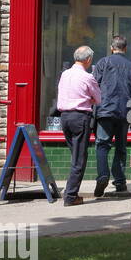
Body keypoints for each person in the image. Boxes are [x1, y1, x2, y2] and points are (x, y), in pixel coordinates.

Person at [92, 35, 131, 197]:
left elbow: (94, 85)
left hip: (105, 110)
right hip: (125, 112)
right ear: (124, 48)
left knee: (102, 144)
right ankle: (120, 181)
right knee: (121, 147)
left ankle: (103, 176)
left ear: (112, 48)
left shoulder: (103, 63)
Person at [56, 46, 101, 207]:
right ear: (88, 60)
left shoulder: (64, 74)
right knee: (79, 159)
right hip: (80, 117)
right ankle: (70, 196)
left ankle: (71, 192)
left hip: (65, 117)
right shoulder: (87, 77)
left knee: (75, 156)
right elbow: (98, 99)